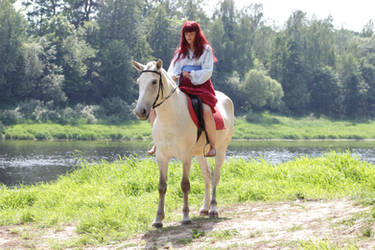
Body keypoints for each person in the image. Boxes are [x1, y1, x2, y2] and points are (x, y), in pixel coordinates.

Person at [148, 20, 218, 157]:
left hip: (201, 86)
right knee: (154, 109)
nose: (188, 37)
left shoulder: (206, 50)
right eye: (186, 34)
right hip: (183, 86)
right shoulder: (180, 52)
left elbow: (208, 70)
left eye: (191, 34)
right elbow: (172, 70)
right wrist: (173, 77)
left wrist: (191, 74)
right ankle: (157, 142)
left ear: (197, 34)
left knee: (206, 111)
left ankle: (212, 146)